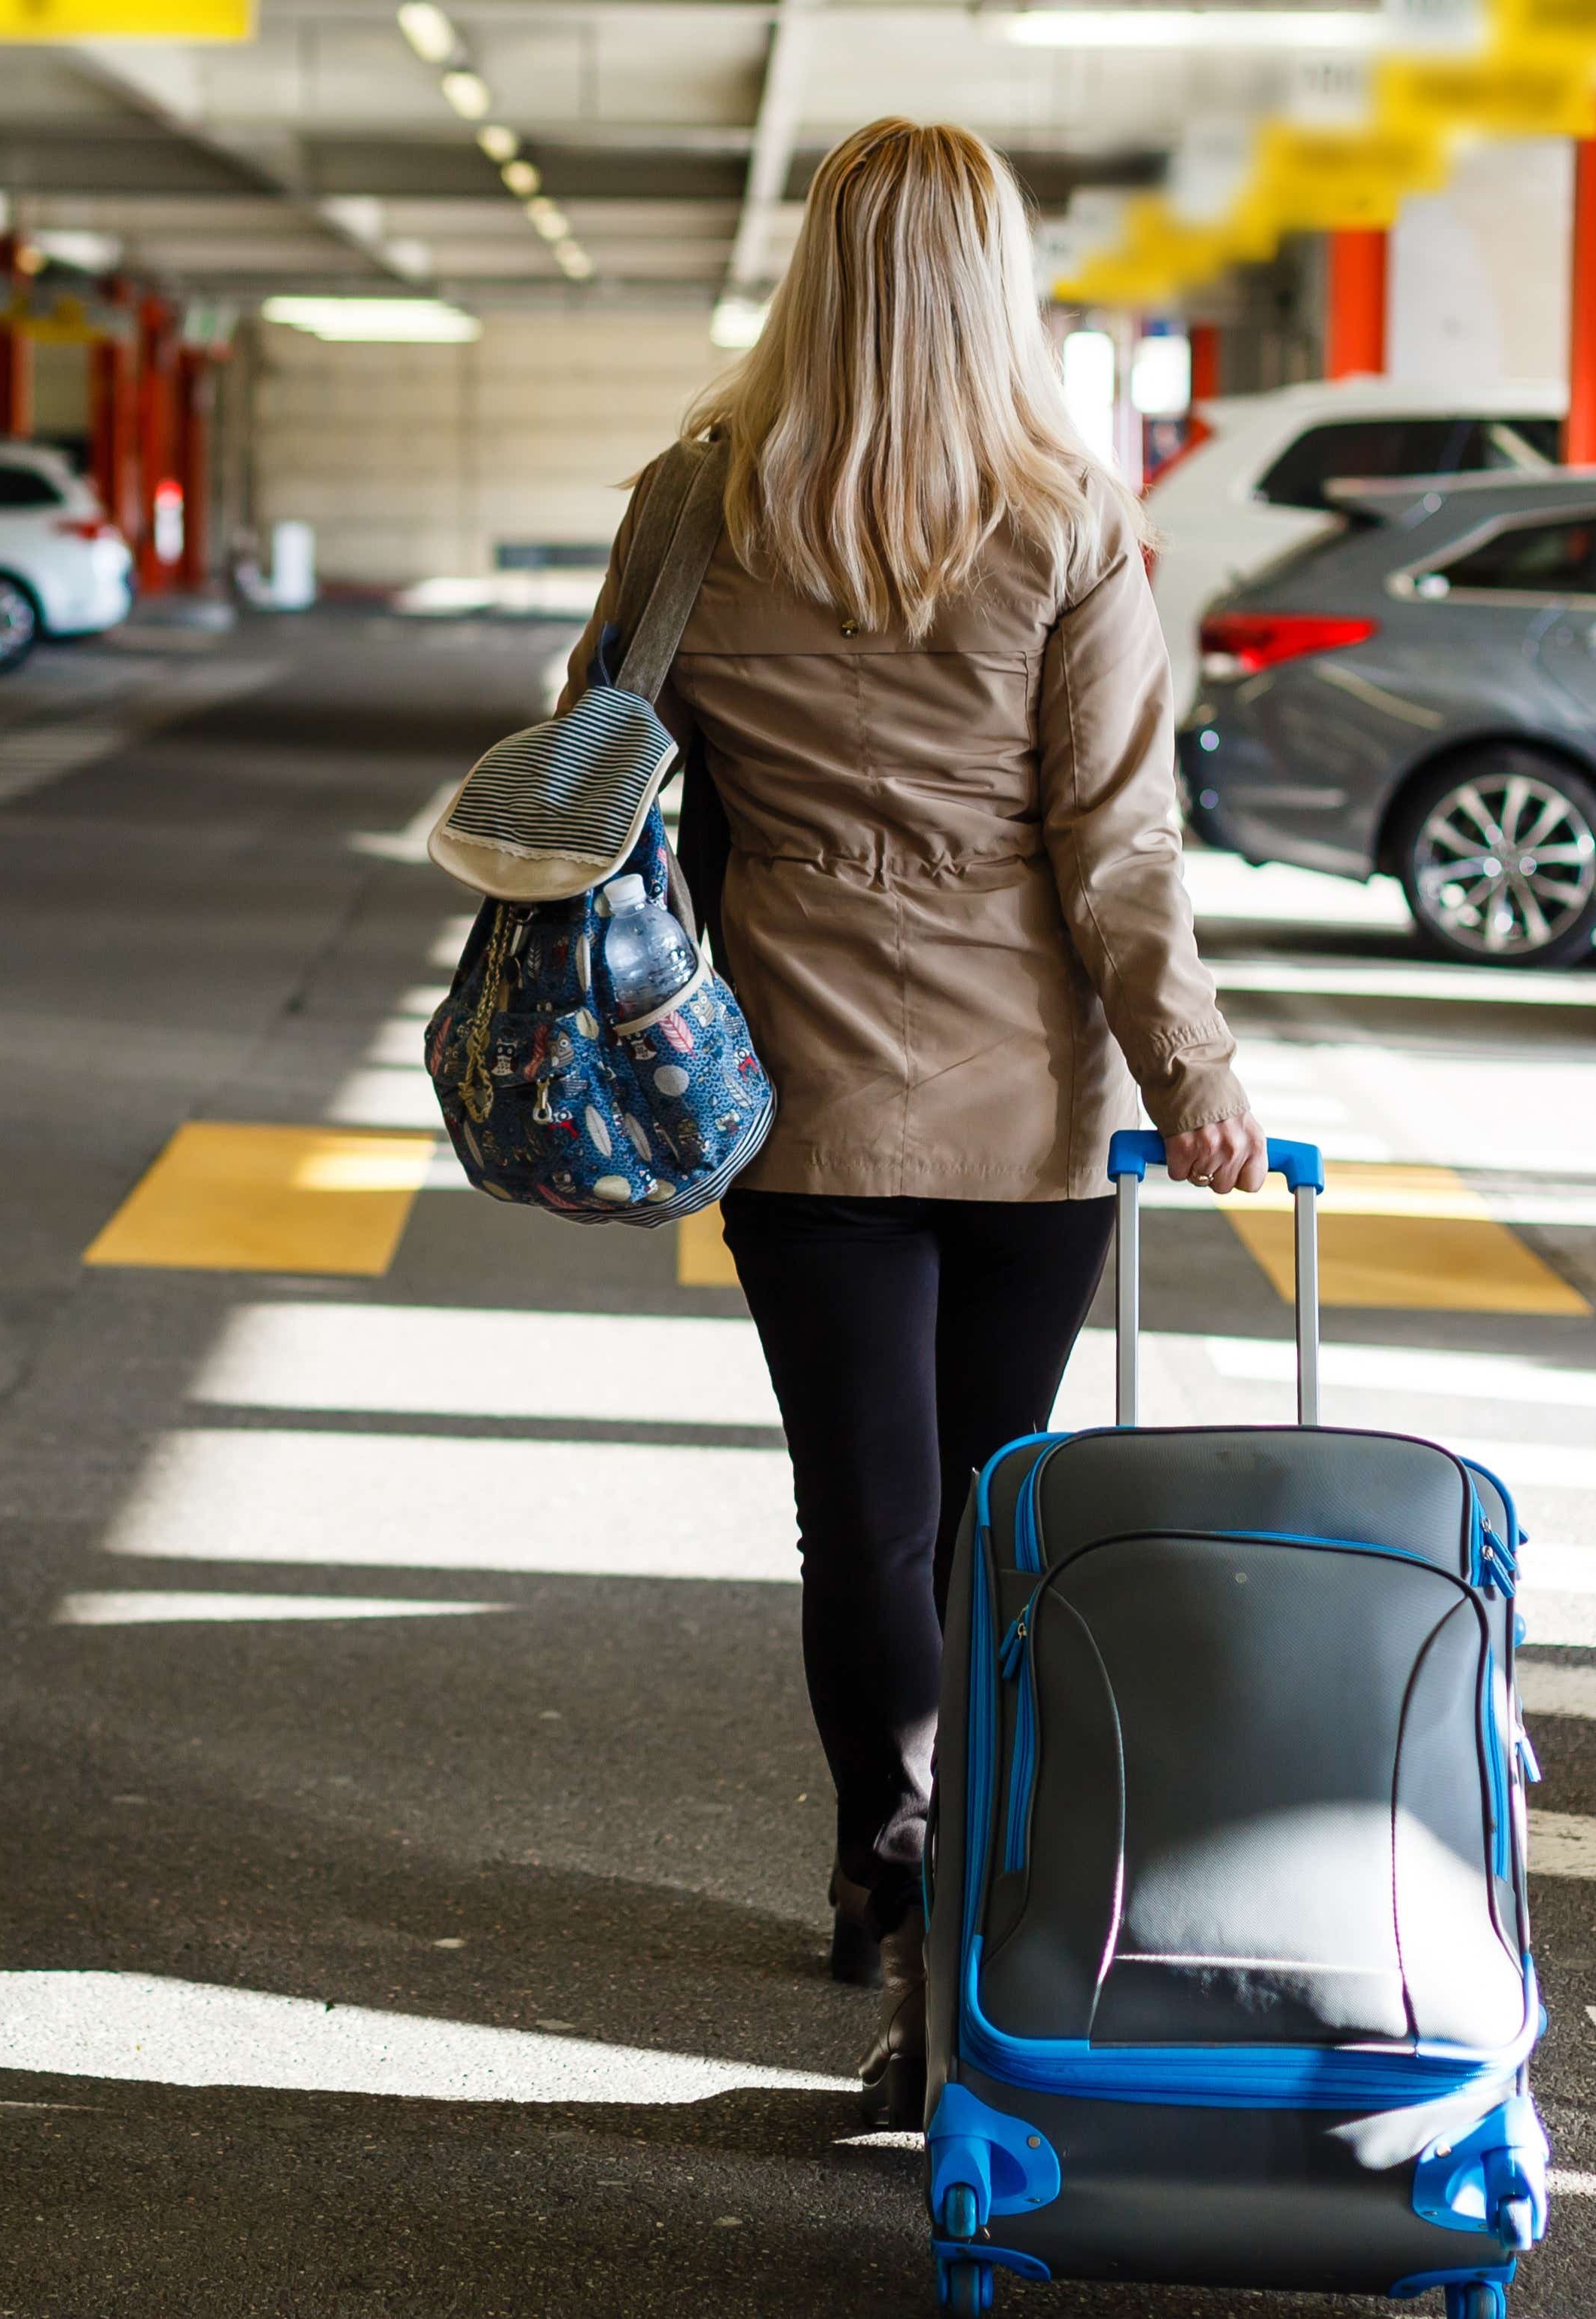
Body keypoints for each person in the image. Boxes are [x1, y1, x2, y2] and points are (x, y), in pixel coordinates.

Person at [558, 118, 1267, 2126]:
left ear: (816, 269)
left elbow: (597, 770)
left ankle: (886, 1848)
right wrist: (1193, 1083)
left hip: (780, 1083)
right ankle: (982, 1897)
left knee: (854, 1517)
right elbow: (1118, 851)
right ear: (994, 279)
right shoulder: (1064, 522)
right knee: (991, 1516)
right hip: (1024, 1100)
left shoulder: (698, 507)